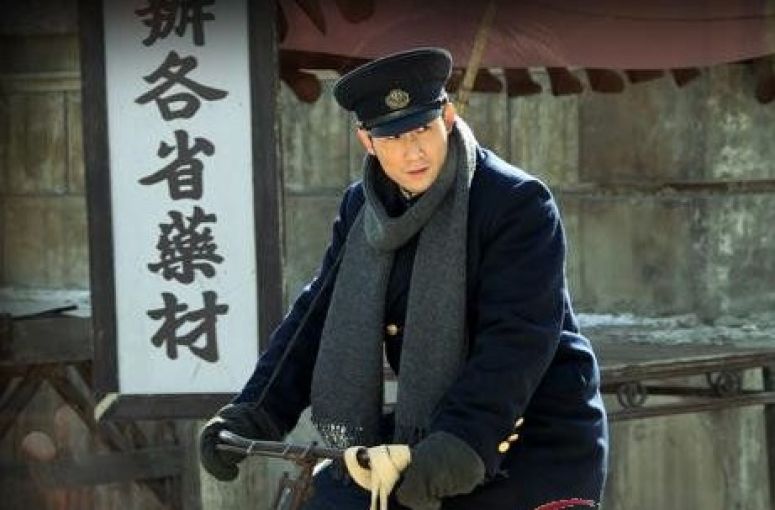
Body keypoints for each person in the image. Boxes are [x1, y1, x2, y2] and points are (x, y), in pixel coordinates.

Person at [199, 47, 608, 510]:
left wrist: (458, 444)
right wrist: (254, 411)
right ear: (367, 141)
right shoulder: (363, 207)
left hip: (528, 434)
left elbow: (516, 341)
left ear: (447, 118)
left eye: (422, 129)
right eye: (393, 137)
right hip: (428, 429)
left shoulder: (516, 202)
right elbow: (316, 314)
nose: (414, 151)